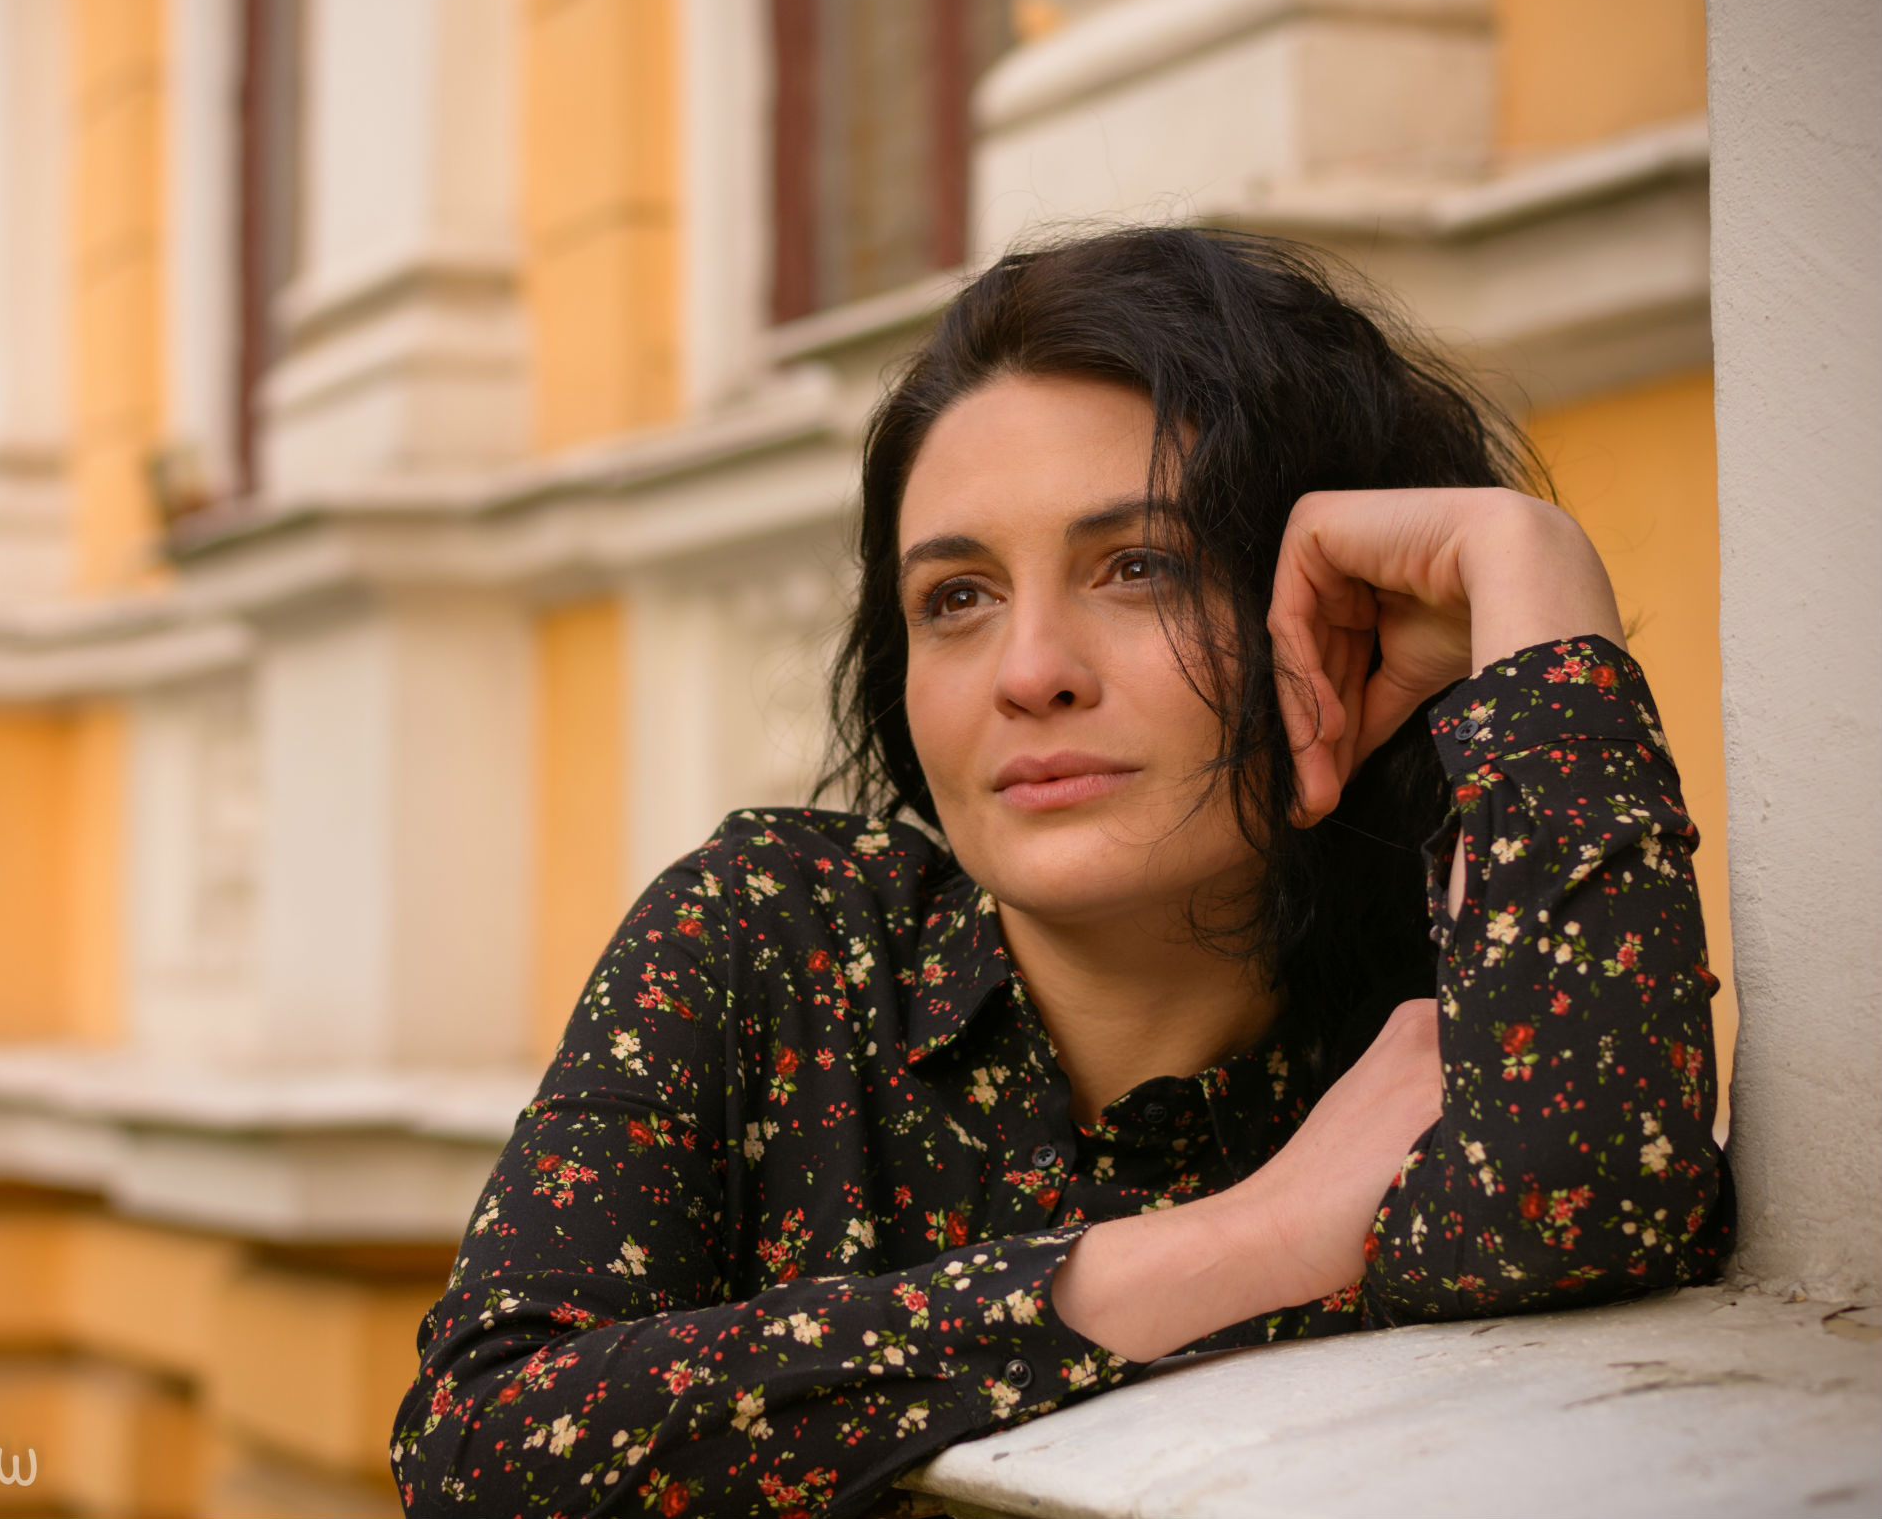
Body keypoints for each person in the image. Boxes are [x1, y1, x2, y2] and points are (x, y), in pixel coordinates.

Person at [389, 227, 1731, 1518]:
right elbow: (483, 1449)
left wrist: (1529, 567)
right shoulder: (776, 939)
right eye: (957, 597)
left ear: (1337, 617)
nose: (1030, 671)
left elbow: (1598, 1202)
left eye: (1138, 567)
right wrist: (1250, 1240)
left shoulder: (1442, 1033)